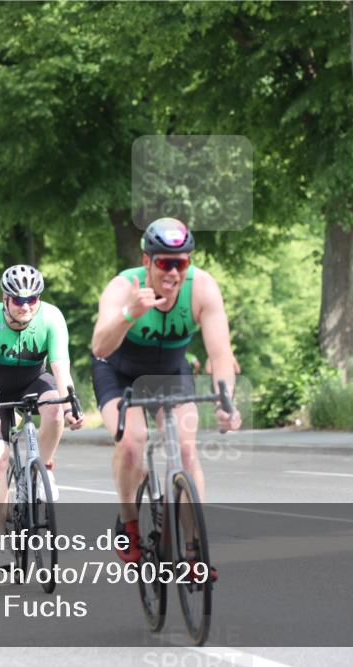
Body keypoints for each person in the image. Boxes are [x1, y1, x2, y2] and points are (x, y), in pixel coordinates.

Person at [91, 217, 242, 566]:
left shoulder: (202, 288)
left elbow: (221, 355)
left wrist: (226, 402)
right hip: (119, 373)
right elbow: (99, 346)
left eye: (181, 263)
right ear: (147, 261)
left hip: (170, 372)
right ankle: (129, 522)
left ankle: (193, 550)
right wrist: (130, 313)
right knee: (132, 444)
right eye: (164, 263)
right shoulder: (122, 287)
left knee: (187, 451)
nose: (173, 272)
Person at [0, 265, 83, 563]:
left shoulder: (52, 317)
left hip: (34, 380)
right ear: (5, 299)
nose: (26, 306)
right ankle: (0, 542)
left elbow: (61, 370)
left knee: (55, 409)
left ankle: (44, 468)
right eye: (18, 300)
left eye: (32, 299)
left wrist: (70, 407)